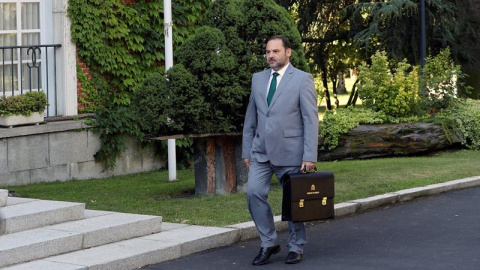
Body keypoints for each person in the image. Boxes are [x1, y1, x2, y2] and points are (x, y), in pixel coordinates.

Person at [242, 35, 319, 265]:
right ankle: (269, 242)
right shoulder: (257, 79)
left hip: (291, 152)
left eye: (275, 51)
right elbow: (251, 117)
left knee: (293, 202)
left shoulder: (302, 79)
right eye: (267, 52)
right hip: (260, 153)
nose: (271, 56)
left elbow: (310, 119)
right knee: (253, 194)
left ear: (288, 52)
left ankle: (296, 246)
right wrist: (247, 150)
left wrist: (309, 155)